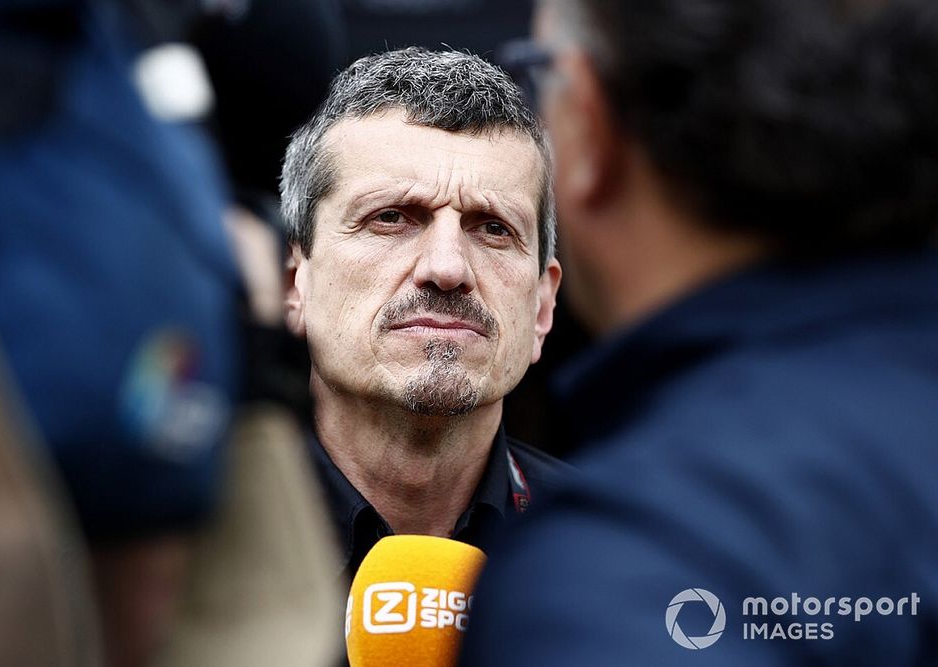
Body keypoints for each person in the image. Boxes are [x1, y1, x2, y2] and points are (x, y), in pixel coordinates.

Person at [461, 0, 938, 664]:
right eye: (390, 218)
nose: (446, 268)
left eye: (541, 74)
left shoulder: (627, 565)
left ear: (592, 128)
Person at [279, 47, 568, 577]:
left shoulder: (629, 551)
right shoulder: (179, 537)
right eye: (391, 218)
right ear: (293, 281)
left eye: (493, 228)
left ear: (542, 308)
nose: (447, 267)